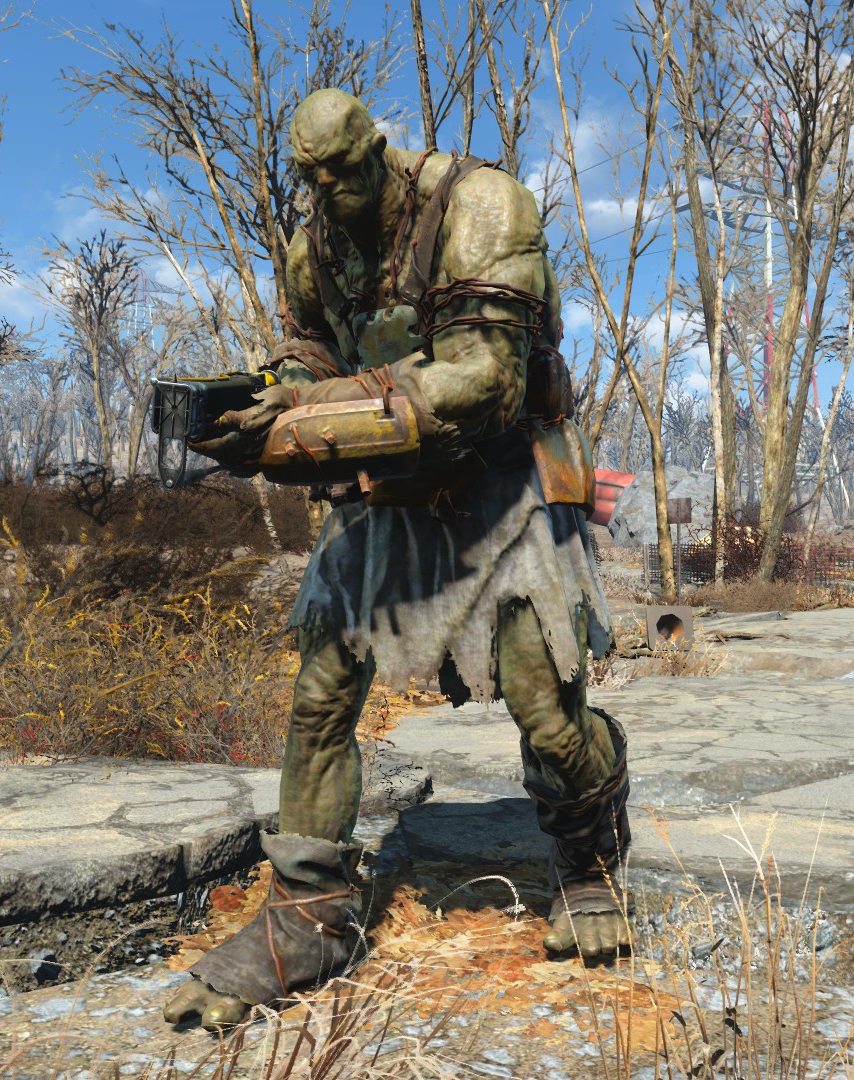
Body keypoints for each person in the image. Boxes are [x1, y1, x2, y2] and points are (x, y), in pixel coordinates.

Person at [162, 88, 632, 1031]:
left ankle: (588, 859)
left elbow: (485, 381)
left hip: (504, 484)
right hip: (380, 489)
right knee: (319, 695)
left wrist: (315, 405)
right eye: (309, 177)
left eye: (342, 170)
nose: (326, 192)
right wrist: (262, 408)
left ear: (377, 149)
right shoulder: (314, 250)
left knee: (546, 713)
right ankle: (307, 914)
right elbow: (307, 357)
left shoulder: (481, 205)